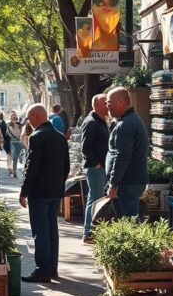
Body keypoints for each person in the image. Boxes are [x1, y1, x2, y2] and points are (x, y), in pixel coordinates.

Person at [19, 104, 69, 283]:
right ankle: (51, 268)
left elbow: (31, 167)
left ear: (34, 117)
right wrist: (59, 185)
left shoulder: (37, 137)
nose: (28, 122)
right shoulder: (60, 137)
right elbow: (66, 167)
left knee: (40, 231)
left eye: (28, 118)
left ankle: (43, 270)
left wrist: (24, 191)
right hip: (55, 191)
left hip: (39, 192)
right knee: (51, 230)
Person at [105, 87, 149, 218]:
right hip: (131, 180)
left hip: (128, 181)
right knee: (130, 219)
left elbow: (122, 156)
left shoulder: (126, 124)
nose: (108, 107)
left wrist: (113, 184)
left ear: (120, 102)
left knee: (129, 222)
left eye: (109, 103)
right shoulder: (131, 120)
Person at [80, 94, 110, 243]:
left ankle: (92, 231)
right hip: (95, 168)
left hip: (100, 167)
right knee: (95, 199)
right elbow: (85, 147)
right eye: (105, 103)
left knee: (97, 198)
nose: (108, 106)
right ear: (97, 105)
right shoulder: (91, 122)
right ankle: (88, 232)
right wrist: (96, 163)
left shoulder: (101, 121)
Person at [6, 110, 24, 178]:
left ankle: (15, 170)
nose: (14, 117)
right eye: (12, 116)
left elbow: (22, 132)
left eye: (15, 116)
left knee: (17, 157)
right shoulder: (9, 124)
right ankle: (14, 171)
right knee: (14, 157)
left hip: (19, 142)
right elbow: (8, 133)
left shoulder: (19, 124)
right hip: (13, 142)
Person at [0, 111, 12, 176]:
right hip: (6, 139)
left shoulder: (1, 123)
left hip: (5, 139)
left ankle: (9, 167)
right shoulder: (3, 123)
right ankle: (9, 168)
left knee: (8, 153)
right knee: (9, 153)